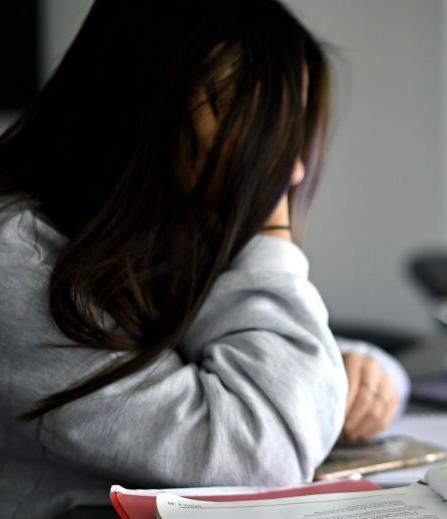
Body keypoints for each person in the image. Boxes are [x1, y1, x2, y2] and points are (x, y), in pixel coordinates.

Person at [0, 1, 409, 517]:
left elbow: (209, 350)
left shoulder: (139, 238)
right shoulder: (14, 260)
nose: (295, 169)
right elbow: (263, 456)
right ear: (158, 107)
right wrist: (272, 228)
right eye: (269, 128)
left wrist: (375, 375)